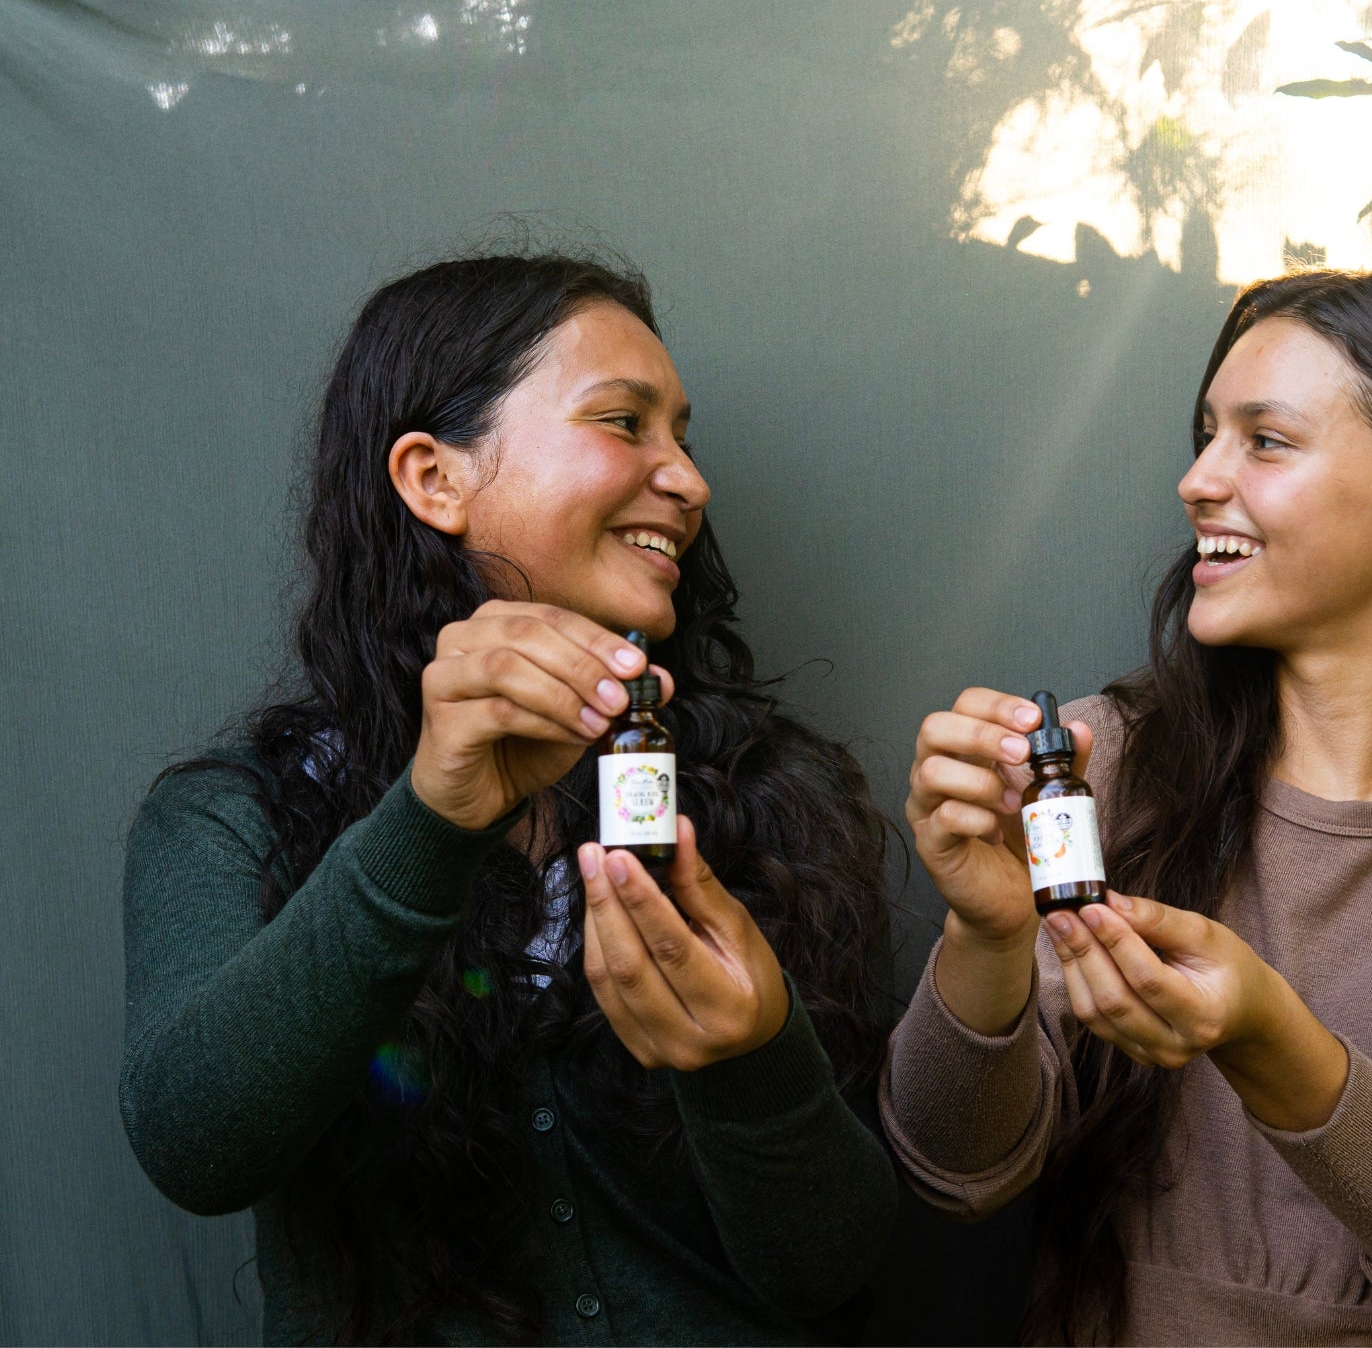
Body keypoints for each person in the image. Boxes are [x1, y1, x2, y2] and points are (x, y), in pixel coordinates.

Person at [882, 269, 1372, 1345]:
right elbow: (953, 1167)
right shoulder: (1094, 766)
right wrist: (985, 933)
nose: (1198, 479)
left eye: (1264, 441)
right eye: (1206, 433)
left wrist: (1267, 1035)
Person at [119, 252, 897, 1345]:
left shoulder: (768, 806)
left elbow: (832, 1269)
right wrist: (427, 824)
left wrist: (754, 1061)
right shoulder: (233, 819)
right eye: (625, 423)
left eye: (683, 435)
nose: (688, 480)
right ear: (436, 479)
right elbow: (196, 1144)